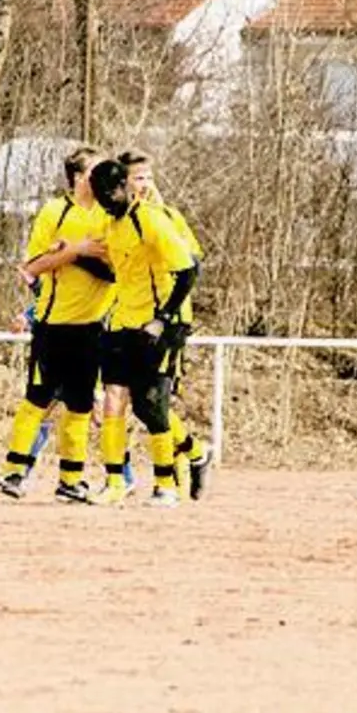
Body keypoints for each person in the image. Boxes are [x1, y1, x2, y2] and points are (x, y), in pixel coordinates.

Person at [0, 146, 114, 504]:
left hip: (91, 328)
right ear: (76, 177)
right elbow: (33, 266)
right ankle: (13, 473)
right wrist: (76, 250)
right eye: (93, 173)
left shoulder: (109, 215)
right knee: (37, 401)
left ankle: (71, 481)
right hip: (52, 325)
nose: (100, 179)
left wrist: (72, 252)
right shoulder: (55, 212)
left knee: (80, 407)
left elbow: (113, 268)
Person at [116, 149, 214, 500]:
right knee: (140, 404)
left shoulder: (166, 216)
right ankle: (195, 451)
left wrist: (166, 314)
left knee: (153, 401)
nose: (144, 185)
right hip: (131, 319)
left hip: (168, 322)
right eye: (137, 178)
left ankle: (170, 479)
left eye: (148, 178)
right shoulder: (119, 219)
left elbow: (193, 264)